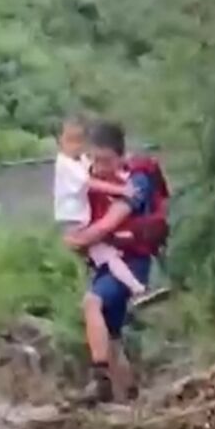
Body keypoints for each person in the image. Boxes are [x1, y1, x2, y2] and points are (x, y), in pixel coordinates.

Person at [64, 119, 159, 403]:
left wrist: (78, 240)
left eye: (106, 161)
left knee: (92, 302)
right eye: (94, 159)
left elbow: (109, 224)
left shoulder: (136, 182)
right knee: (112, 333)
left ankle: (100, 380)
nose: (100, 167)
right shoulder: (91, 179)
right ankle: (130, 397)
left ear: (121, 156)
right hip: (105, 262)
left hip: (132, 262)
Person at [53, 116, 146, 297]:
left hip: (80, 219)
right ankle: (137, 289)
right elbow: (90, 181)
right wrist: (122, 190)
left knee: (105, 255)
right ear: (60, 141)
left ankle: (136, 288)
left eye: (79, 141)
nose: (75, 146)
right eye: (70, 141)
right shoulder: (65, 164)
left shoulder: (78, 161)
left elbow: (93, 164)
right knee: (106, 254)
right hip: (73, 221)